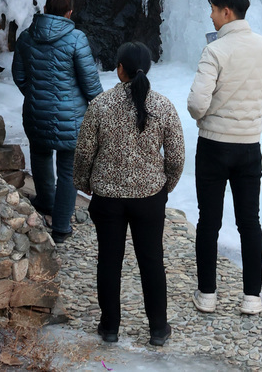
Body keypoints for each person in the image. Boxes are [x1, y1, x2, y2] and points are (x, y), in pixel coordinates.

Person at [74, 41, 185, 347]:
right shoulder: (164, 106)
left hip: (108, 198)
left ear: (119, 69)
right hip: (149, 198)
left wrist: (83, 182)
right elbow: (176, 157)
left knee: (108, 261)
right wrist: (165, 187)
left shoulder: (100, 105)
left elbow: (84, 151)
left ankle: (110, 327)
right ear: (146, 69)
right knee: (151, 262)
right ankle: (158, 329)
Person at [187, 0, 262, 316]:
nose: (210, 16)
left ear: (227, 12)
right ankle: (252, 297)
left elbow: (197, 105)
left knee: (209, 222)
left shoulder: (215, 51)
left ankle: (207, 295)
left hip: (213, 146)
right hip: (249, 147)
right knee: (249, 222)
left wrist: (212, 112)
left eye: (213, 10)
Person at [12, 0, 101, 243]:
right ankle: (61, 227)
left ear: (47, 10)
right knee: (68, 170)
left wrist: (36, 95)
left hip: (36, 111)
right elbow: (91, 85)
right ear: (69, 12)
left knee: (40, 157)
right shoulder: (76, 38)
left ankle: (46, 204)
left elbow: (19, 76)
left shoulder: (27, 37)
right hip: (71, 117)